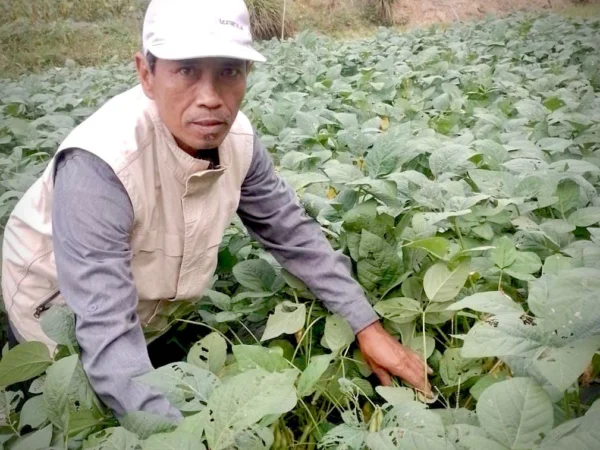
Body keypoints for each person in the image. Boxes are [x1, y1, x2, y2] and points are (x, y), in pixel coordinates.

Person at [1, 0, 432, 422]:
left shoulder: (239, 139)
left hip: (151, 311)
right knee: (72, 420)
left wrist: (366, 324)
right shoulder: (101, 165)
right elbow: (105, 333)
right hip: (55, 317)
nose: (210, 97)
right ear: (146, 74)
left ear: (248, 74)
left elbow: (293, 234)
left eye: (228, 70)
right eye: (186, 70)